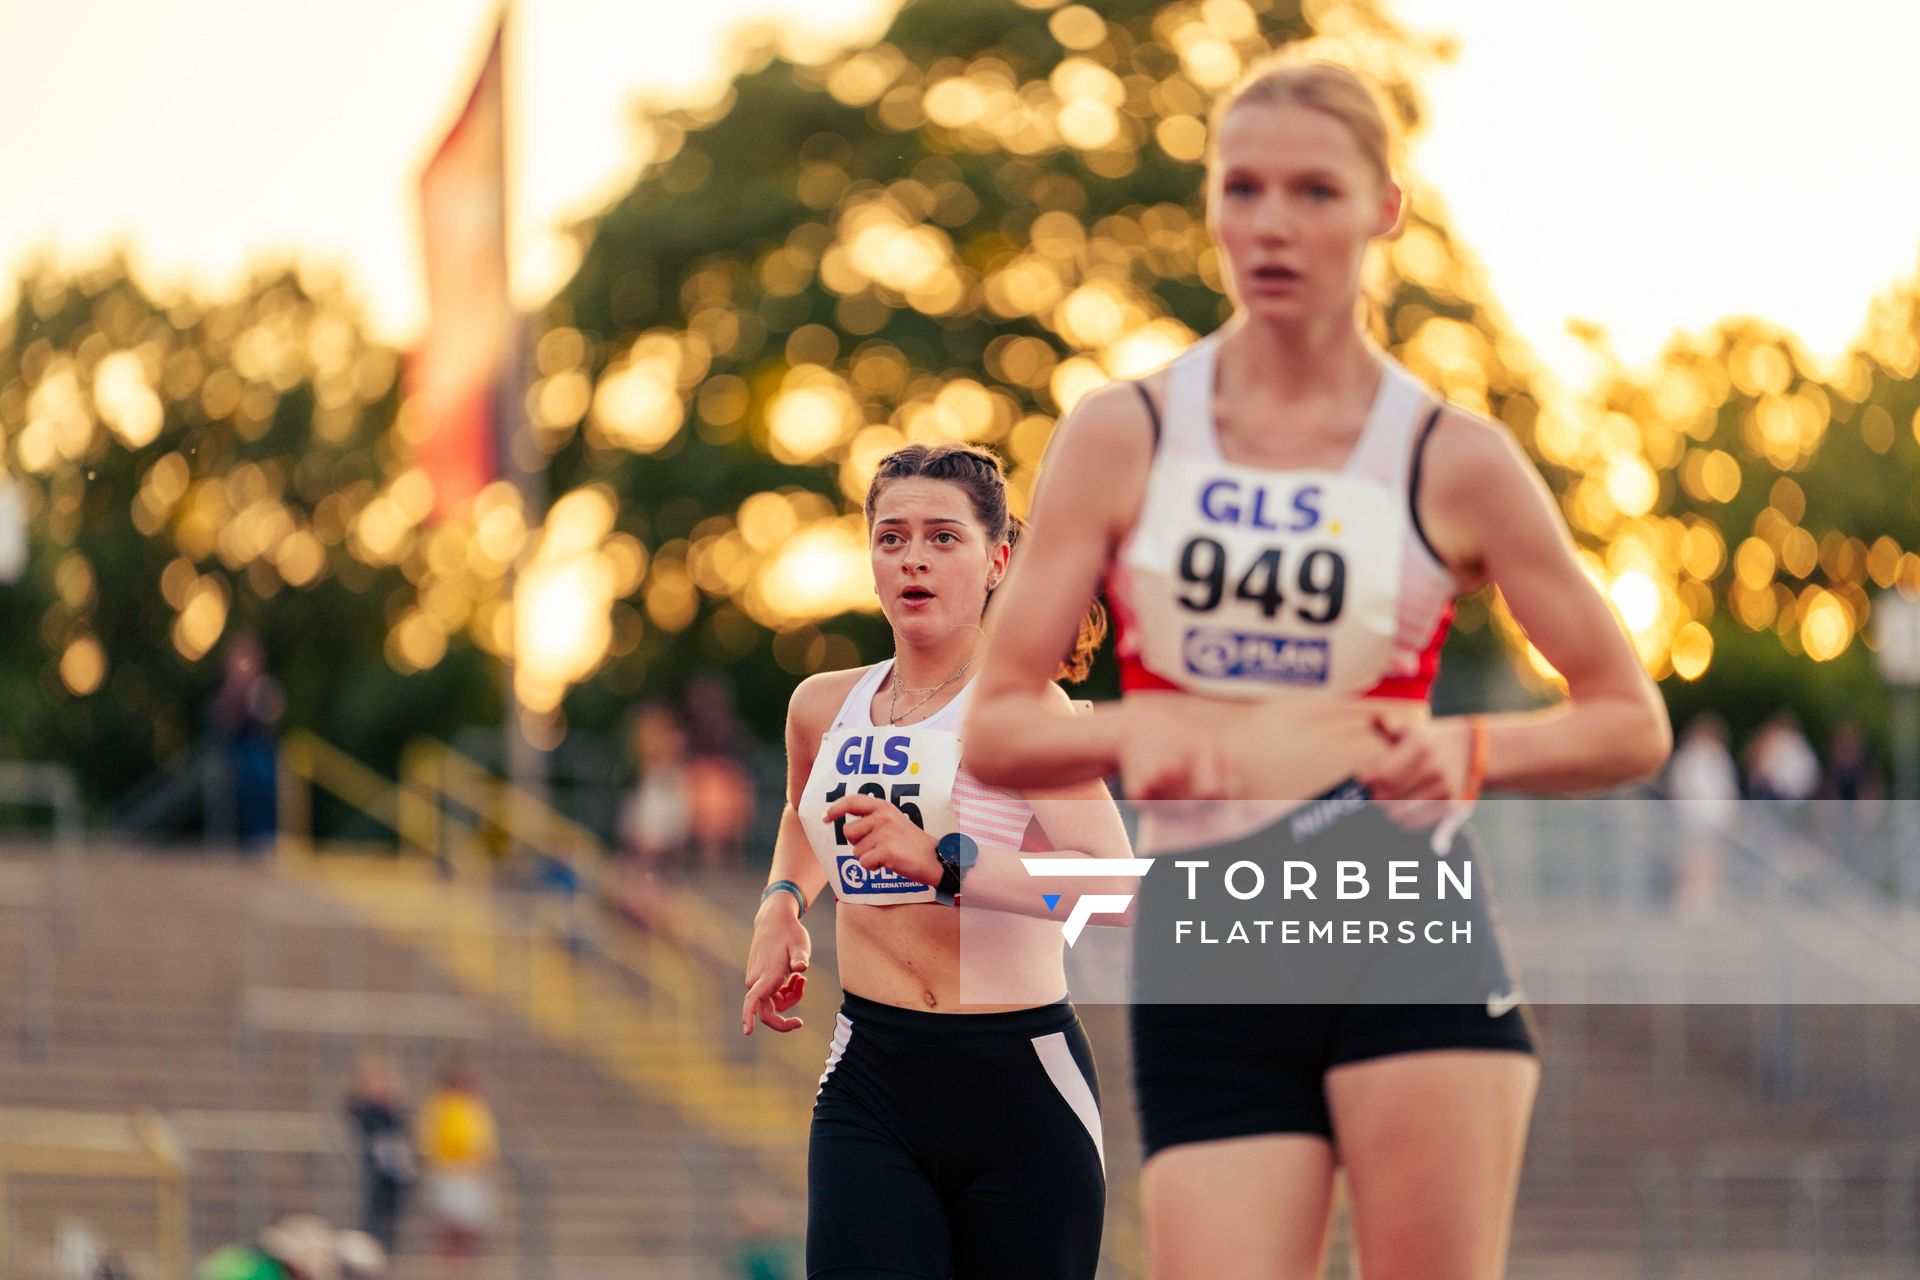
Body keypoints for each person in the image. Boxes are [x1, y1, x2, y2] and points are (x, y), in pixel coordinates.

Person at [965, 53, 1671, 1279]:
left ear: (1384, 207)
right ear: (1211, 204)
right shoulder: (1122, 432)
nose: (1272, 225)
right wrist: (1127, 734)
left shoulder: (1453, 456)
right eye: (1242, 190)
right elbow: (1000, 723)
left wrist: (1474, 746)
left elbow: (1628, 719)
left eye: (1314, 191)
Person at [740, 442, 1140, 1279]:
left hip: (1019, 1086)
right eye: (891, 538)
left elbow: (1115, 888)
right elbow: (802, 814)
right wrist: (782, 901)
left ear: (997, 560)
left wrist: (945, 865)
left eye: (942, 537)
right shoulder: (822, 706)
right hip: (872, 1077)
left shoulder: (1027, 712)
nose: (913, 557)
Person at [415, 1061, 499, 1275]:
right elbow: (428, 1139)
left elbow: (485, 1141)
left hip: (471, 1173)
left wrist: (480, 1164)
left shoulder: (475, 1106)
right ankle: (446, 1269)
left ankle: (467, 1269)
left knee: (470, 1228)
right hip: (447, 1171)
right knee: (448, 1227)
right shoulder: (439, 1105)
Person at [344, 1051, 416, 1254]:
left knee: (389, 1228)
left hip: (392, 1175)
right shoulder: (364, 1111)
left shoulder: (393, 1113)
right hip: (371, 1176)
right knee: (371, 1225)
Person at [1667, 714, 1740, 911]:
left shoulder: (1719, 759)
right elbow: (1682, 789)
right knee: (1692, 862)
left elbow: (1727, 790)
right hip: (1694, 820)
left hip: (1715, 821)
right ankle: (1690, 905)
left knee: (1713, 863)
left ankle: (1710, 903)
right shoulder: (1688, 759)